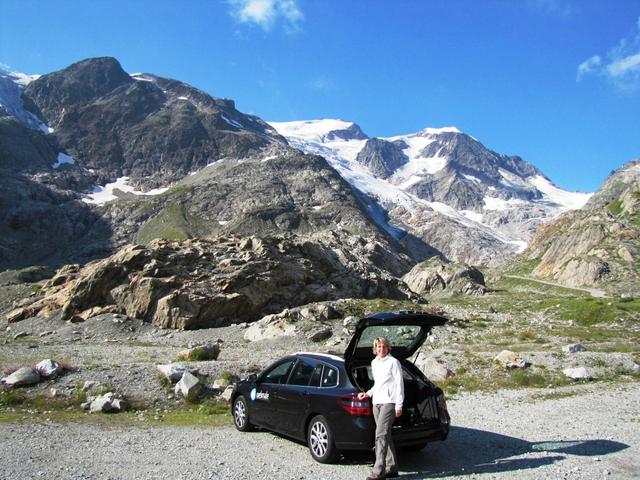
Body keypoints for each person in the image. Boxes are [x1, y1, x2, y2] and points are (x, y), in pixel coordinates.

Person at [357, 336, 404, 479]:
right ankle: (392, 467)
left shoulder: (394, 362)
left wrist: (399, 405)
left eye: (383, 346)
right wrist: (368, 394)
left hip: (389, 402)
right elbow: (378, 384)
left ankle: (378, 471)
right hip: (376, 402)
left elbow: (399, 384)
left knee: (380, 435)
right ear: (375, 348)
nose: (381, 349)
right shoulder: (374, 363)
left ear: (388, 348)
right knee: (385, 435)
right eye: (378, 347)